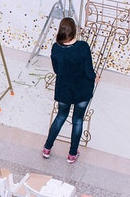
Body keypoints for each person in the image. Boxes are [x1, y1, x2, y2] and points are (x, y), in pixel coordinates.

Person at [42, 17, 98, 164]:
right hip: (82, 90)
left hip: (64, 89)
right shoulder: (83, 47)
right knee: (78, 120)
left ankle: (47, 148)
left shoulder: (55, 48)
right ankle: (72, 154)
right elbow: (88, 71)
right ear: (75, 31)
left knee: (60, 116)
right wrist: (94, 77)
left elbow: (56, 70)